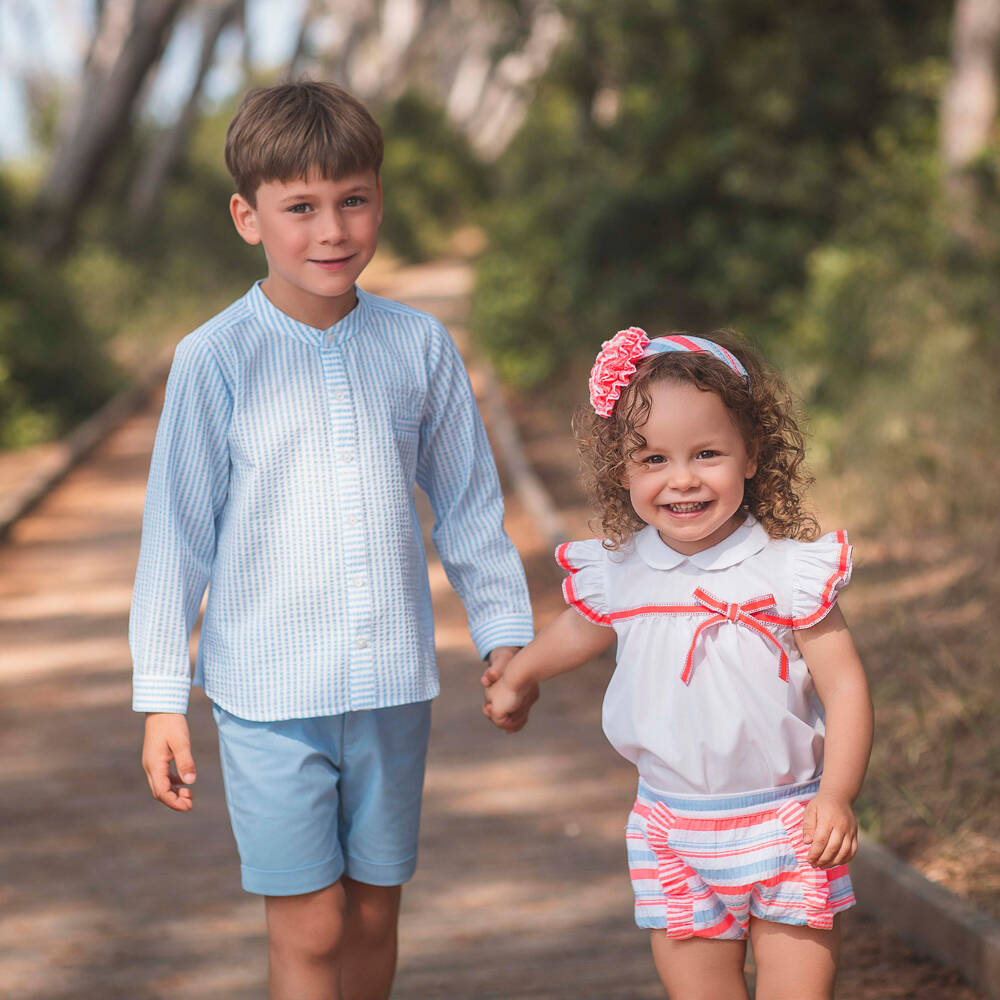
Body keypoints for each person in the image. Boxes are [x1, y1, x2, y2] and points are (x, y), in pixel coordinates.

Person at [130, 81, 535, 1000]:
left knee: (374, 912)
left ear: (380, 201)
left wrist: (507, 640)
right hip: (268, 694)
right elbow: (175, 541)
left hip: (392, 684)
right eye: (300, 207)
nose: (331, 231)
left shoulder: (420, 346)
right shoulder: (214, 359)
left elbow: (470, 510)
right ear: (248, 216)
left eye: (353, 200)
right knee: (310, 922)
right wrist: (160, 696)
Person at [483, 327, 873, 999]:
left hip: (788, 826)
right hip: (673, 830)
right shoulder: (624, 573)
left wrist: (836, 796)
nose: (682, 478)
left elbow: (846, 688)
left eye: (707, 454)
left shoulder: (785, 574)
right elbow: (578, 633)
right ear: (623, 471)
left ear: (751, 454)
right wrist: (518, 676)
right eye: (653, 459)